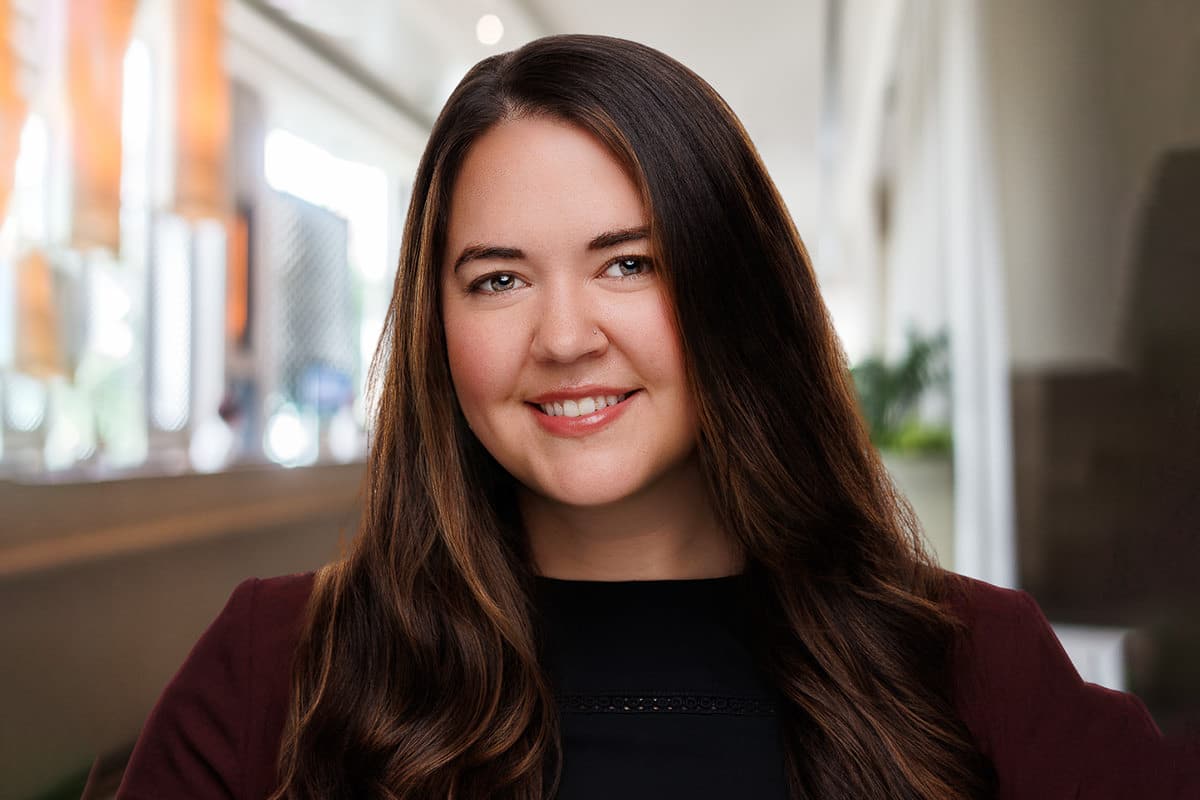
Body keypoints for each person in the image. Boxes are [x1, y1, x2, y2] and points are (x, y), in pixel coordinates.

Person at [115, 34, 1197, 800]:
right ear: (436, 326)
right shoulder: (278, 662)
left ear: (738, 289)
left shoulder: (966, 664)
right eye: (497, 279)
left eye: (629, 263)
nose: (565, 334)